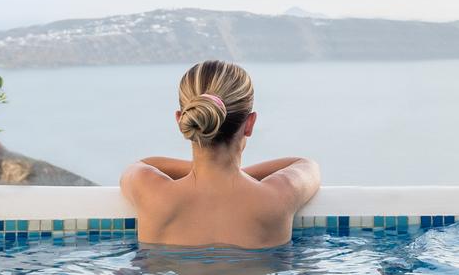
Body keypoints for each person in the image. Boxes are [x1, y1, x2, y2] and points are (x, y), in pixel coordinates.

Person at [120, 60, 321, 248]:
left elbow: (141, 164)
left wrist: (207, 169)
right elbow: (306, 165)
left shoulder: (149, 190)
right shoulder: (278, 196)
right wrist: (233, 173)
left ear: (182, 121)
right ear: (249, 124)